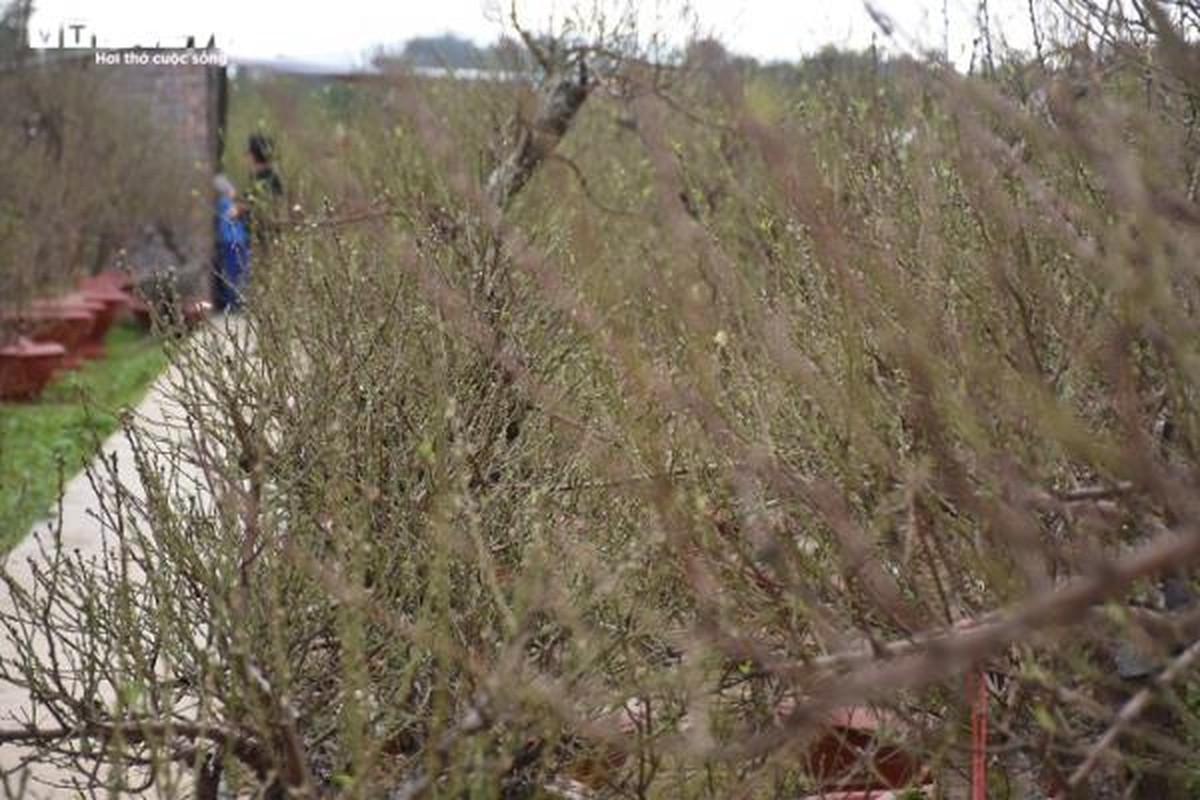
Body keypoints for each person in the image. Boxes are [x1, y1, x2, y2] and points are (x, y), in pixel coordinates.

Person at [213, 173, 249, 312]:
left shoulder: (223, 203)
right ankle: (234, 303)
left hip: (231, 241)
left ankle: (233, 303)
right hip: (235, 241)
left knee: (233, 273)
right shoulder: (228, 203)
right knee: (236, 272)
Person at [244, 133, 284, 248]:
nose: (246, 156)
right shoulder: (259, 176)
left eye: (248, 153)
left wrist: (240, 209)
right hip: (259, 233)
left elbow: (263, 205)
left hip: (265, 236)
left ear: (254, 156)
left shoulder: (268, 177)